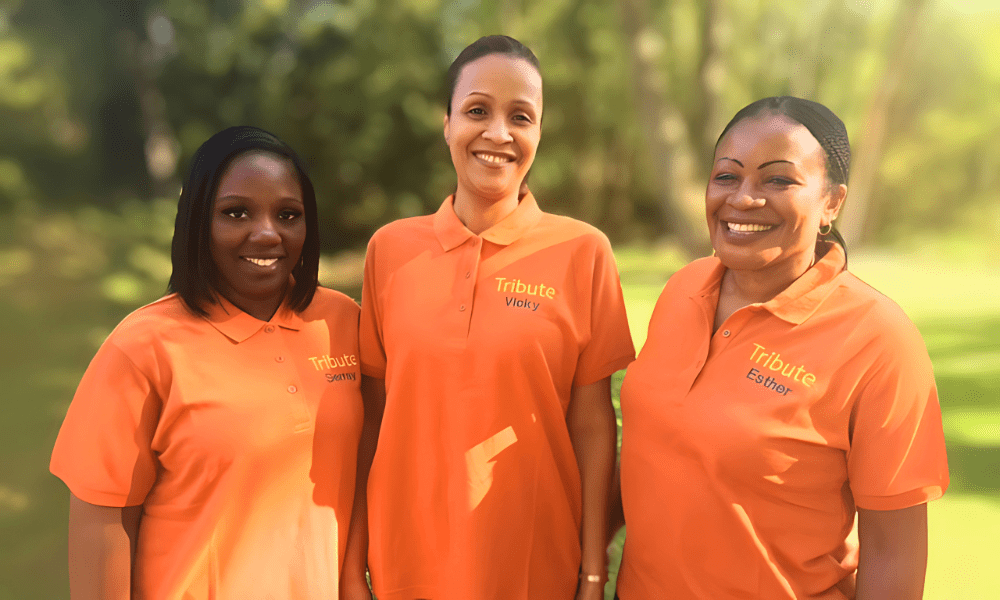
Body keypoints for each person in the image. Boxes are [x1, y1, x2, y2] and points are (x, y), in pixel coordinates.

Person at [613, 96, 949, 599]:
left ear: (832, 203)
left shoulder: (880, 342)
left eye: (778, 179)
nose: (744, 199)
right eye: (727, 176)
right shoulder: (682, 290)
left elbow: (894, 556)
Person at [347, 35, 635, 600]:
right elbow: (371, 422)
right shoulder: (389, 251)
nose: (498, 133)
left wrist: (593, 571)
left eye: (520, 117)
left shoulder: (584, 251)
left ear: (539, 133)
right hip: (405, 564)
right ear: (447, 123)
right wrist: (353, 565)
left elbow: (594, 431)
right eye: (478, 110)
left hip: (533, 566)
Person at [50, 126, 365, 599]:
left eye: (288, 214)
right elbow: (103, 525)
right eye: (236, 212)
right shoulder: (142, 348)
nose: (266, 232)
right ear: (199, 220)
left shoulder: (344, 321)